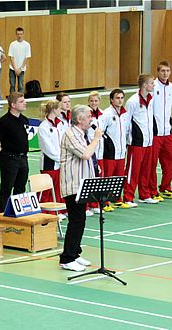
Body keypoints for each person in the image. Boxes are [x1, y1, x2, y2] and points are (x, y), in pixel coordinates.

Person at [58, 105, 103, 272]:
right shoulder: (70, 134)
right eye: (88, 116)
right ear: (79, 120)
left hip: (83, 183)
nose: (91, 119)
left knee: (81, 219)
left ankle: (75, 253)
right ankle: (67, 258)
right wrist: (96, 138)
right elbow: (85, 154)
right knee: (76, 220)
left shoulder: (81, 134)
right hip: (73, 184)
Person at [123, 74, 157, 207]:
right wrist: (128, 139)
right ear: (144, 85)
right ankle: (128, 197)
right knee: (133, 170)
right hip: (136, 142)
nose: (154, 85)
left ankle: (145, 195)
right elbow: (126, 122)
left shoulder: (151, 99)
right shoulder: (132, 101)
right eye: (152, 83)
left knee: (146, 170)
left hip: (149, 141)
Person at [0, 92, 30, 212]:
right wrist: (4, 158)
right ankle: (3, 213)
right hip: (9, 158)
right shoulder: (3, 122)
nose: (24, 103)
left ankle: (18, 210)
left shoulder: (25, 120)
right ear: (13, 105)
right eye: (21, 101)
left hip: (23, 158)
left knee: (21, 187)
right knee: (6, 187)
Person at [152, 61, 172, 200]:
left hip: (167, 132)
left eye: (167, 71)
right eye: (162, 70)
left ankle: (165, 187)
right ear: (158, 72)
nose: (165, 73)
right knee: (152, 163)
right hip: (155, 133)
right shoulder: (153, 86)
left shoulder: (171, 87)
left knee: (170, 161)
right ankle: (152, 191)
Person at [99, 89, 131, 209]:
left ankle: (117, 198)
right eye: (117, 98)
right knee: (108, 177)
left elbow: (127, 131)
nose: (120, 100)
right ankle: (105, 201)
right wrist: (108, 145)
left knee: (119, 177)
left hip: (121, 152)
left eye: (122, 98)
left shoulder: (125, 114)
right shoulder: (107, 114)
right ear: (112, 100)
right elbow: (101, 131)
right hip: (110, 152)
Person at [37, 100, 66, 208]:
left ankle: (56, 209)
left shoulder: (60, 124)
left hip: (61, 162)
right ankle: (43, 211)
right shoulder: (43, 127)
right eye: (59, 108)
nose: (61, 110)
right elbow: (47, 148)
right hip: (49, 163)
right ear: (54, 110)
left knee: (58, 188)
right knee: (47, 190)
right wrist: (60, 158)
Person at [87, 92, 106, 213]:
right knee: (90, 178)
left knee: (99, 178)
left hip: (100, 151)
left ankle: (96, 204)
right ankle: (88, 204)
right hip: (90, 151)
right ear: (88, 101)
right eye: (92, 101)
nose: (94, 103)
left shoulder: (103, 114)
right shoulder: (85, 114)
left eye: (96, 101)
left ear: (99, 101)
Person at [8, 27, 31, 94]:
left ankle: (20, 100)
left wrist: (20, 68)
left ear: (23, 34)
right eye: (18, 34)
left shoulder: (27, 44)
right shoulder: (12, 44)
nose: (19, 36)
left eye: (20, 34)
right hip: (12, 68)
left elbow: (26, 57)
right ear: (16, 34)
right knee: (12, 85)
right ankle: (12, 100)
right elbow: (11, 57)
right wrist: (15, 69)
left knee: (20, 86)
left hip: (21, 69)